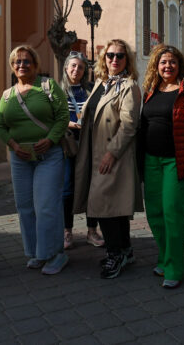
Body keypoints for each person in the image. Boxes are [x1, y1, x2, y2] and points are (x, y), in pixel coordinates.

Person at [0, 45, 71, 275]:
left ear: (35, 64)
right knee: (25, 207)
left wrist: (50, 139)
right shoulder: (7, 95)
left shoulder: (48, 86)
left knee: (46, 205)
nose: (21, 65)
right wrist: (13, 145)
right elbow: (0, 126)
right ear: (12, 66)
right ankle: (37, 253)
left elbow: (62, 117)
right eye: (17, 62)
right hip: (20, 158)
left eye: (26, 61)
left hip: (48, 156)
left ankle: (56, 254)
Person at [74, 38, 143, 279]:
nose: (114, 59)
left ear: (127, 60)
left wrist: (112, 153)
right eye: (110, 55)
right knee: (114, 207)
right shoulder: (101, 83)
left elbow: (129, 125)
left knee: (105, 206)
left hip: (112, 154)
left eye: (119, 56)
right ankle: (125, 250)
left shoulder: (129, 86)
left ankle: (115, 254)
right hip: (92, 152)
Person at [137, 45, 184, 289]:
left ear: (180, 65)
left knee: (173, 213)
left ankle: (175, 268)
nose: (168, 66)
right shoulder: (150, 92)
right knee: (155, 213)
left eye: (172, 62)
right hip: (151, 160)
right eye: (163, 62)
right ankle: (165, 258)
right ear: (156, 66)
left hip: (177, 161)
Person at [60, 51, 104, 249]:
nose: (76, 70)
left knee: (91, 188)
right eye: (73, 66)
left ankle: (92, 231)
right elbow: (52, 116)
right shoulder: (58, 90)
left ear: (85, 70)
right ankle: (67, 232)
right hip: (68, 144)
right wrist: (71, 123)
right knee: (67, 189)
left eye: (80, 67)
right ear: (66, 68)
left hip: (90, 143)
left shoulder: (92, 89)